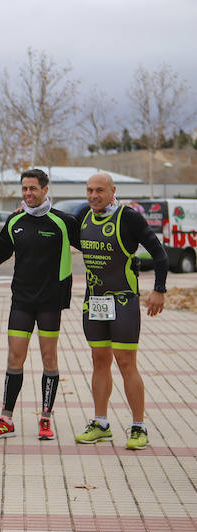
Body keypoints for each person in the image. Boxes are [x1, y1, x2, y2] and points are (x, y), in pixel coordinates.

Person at [0, 169, 80, 441]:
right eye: (24, 189)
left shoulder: (64, 221)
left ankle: (45, 418)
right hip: (21, 300)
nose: (27, 193)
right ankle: (6, 419)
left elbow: (93, 247)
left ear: (46, 190)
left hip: (50, 302)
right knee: (14, 358)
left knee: (49, 359)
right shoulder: (15, 221)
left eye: (33, 188)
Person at [73, 172, 167, 450]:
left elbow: (159, 254)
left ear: (113, 190)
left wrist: (159, 290)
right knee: (99, 360)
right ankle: (100, 423)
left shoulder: (129, 217)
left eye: (99, 190)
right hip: (95, 301)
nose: (93, 196)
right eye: (89, 190)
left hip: (123, 302)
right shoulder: (83, 215)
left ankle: (139, 427)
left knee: (126, 363)